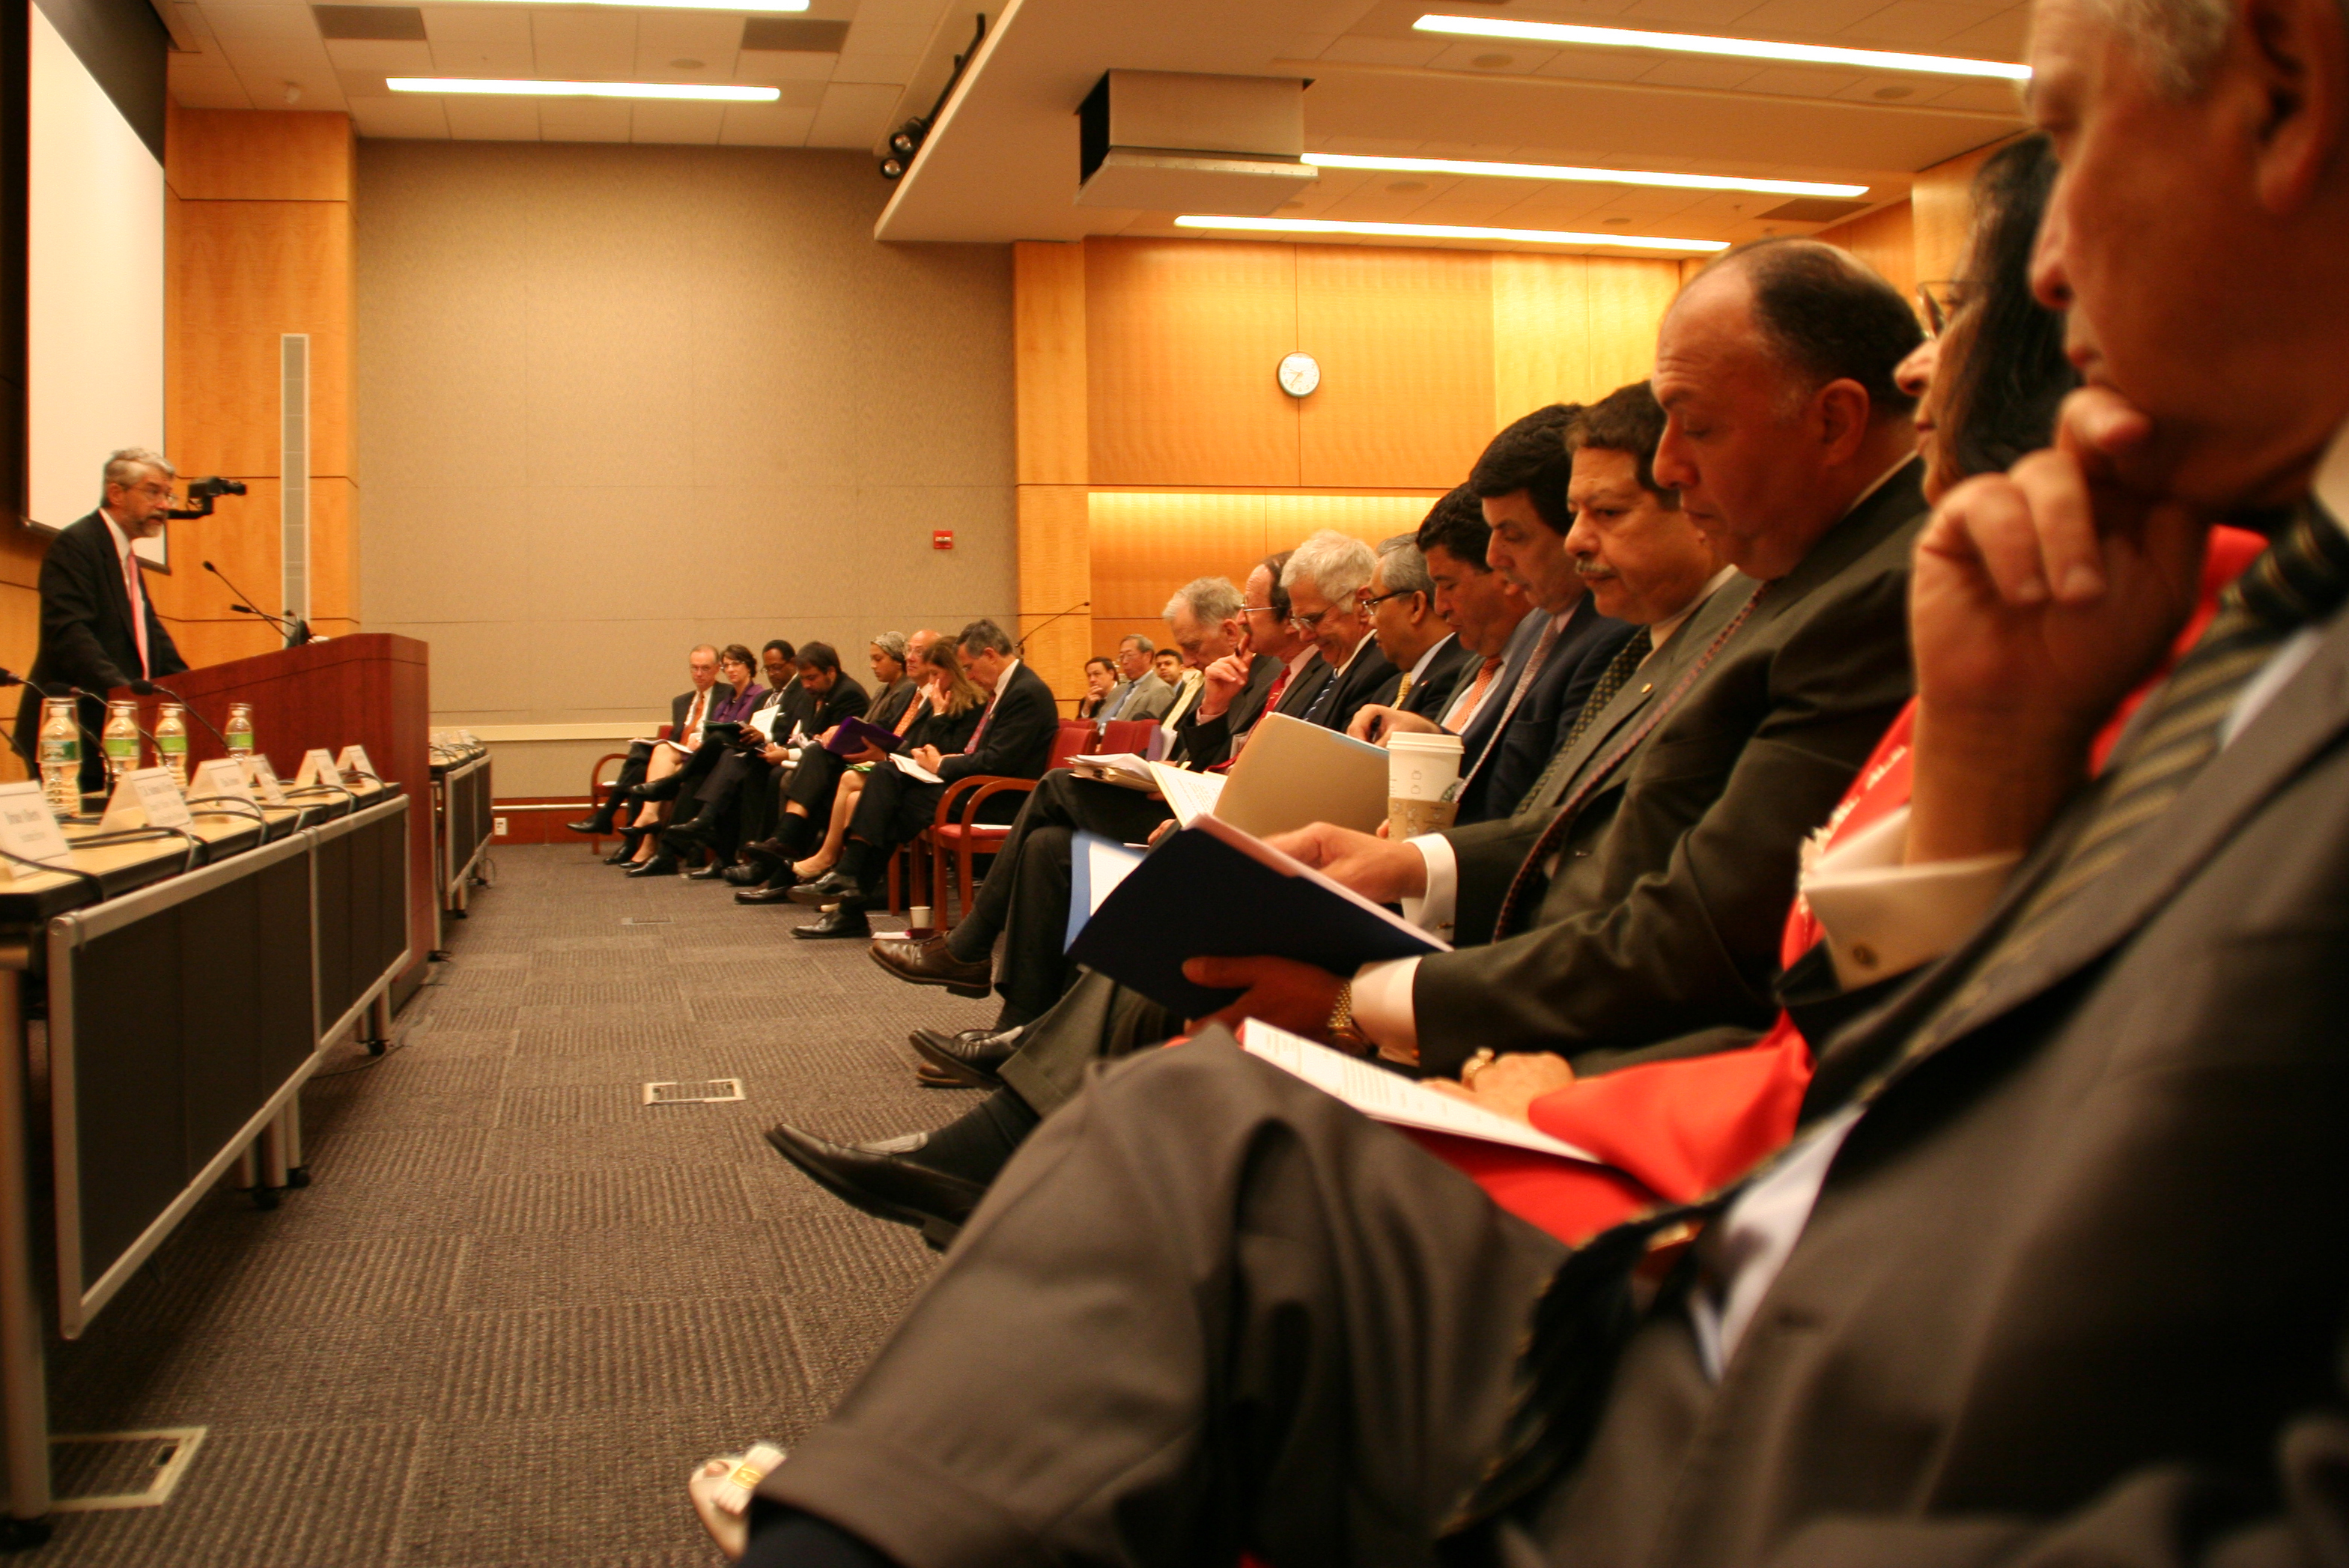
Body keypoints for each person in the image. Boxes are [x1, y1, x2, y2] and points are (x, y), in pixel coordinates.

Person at [711, 0, 2349, 1546]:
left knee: (1202, 1145)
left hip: (1855, 1409)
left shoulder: (1929, 598)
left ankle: (960, 1433)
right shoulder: (2077, 611)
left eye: (2066, 137)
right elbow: (1933, 1052)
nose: (2028, 287)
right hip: (1826, 1273)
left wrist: (1482, 1048)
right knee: (1192, 1115)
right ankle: (972, 1425)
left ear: (2280, 86)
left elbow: (1766, 991)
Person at [772, 269, 1925, 1232]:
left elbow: (1692, 935)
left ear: (1830, 419)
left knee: (1190, 1064)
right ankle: (1000, 1164)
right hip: (1529, 947)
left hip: (1594, 1032)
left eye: (1696, 428)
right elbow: (1577, 830)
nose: (1670, 463)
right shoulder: (1770, 592)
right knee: (1198, 914)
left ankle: (1013, 1201)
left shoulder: (1841, 598)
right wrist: (1406, 868)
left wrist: (1356, 997)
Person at [865, 577, 1253, 1036]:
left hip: (1207, 821)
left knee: (1054, 787)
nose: (1187, 659)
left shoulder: (1261, 676)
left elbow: (1246, 770)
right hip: (1182, 800)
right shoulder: (1227, 675)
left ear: (1233, 630)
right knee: (1045, 845)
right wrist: (1202, 725)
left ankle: (967, 948)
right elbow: (1201, 751)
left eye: (1191, 646)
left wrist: (1188, 768)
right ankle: (1016, 1027)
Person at [786, 620, 1057, 940]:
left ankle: (849, 889)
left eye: (969, 667)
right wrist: (943, 762)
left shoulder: (1025, 692)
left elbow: (1000, 760)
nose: (968, 676)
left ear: (990, 655)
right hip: (974, 787)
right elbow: (985, 753)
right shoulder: (1005, 688)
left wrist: (941, 764)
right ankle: (848, 891)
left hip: (996, 800)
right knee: (887, 778)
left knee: (889, 804)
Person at [1345, 489, 1538, 823]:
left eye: (1448, 586)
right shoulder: (1480, 664)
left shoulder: (1555, 655)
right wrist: (1430, 734)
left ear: (1505, 570)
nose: (1441, 606)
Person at [16, 449, 191, 798]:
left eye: (167, 495)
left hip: (114, 727)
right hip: (75, 731)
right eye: (153, 492)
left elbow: (148, 634)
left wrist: (189, 690)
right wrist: (124, 695)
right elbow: (70, 634)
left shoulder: (123, 554)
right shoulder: (77, 544)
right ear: (116, 493)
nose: (164, 505)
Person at [732, 630, 942, 890]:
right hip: (881, 767)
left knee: (825, 781)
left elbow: (930, 747)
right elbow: (882, 729)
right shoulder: (911, 693)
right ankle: (789, 860)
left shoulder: (938, 698)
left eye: (918, 652)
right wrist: (844, 732)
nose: (909, 657)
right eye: (908, 650)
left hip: (904, 775)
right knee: (814, 760)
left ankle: (799, 865)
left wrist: (884, 751)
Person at [648, 642, 869, 878]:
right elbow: (808, 736)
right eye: (803, 679)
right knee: (737, 761)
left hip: (831, 766)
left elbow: (828, 747)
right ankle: (744, 852)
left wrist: (784, 751)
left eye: (811, 678)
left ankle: (761, 850)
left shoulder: (846, 694)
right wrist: (779, 747)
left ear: (831, 672)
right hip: (802, 756)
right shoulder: (814, 692)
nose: (806, 684)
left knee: (752, 769)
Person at [621, 644, 762, 872]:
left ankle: (672, 789)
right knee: (692, 779)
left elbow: (744, 734)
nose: (732, 669)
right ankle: (666, 853)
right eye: (728, 665)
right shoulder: (728, 700)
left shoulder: (758, 695)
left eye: (737, 664)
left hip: (739, 761)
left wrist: (707, 742)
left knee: (706, 754)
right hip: (714, 762)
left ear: (750, 667)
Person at [580, 645, 732, 854]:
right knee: (640, 765)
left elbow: (725, 732)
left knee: (645, 762)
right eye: (694, 668)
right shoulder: (681, 702)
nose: (698, 674)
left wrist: (700, 743)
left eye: (705, 668)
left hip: (703, 758)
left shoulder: (728, 694)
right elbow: (677, 736)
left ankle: (613, 820)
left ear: (717, 668)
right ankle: (635, 843)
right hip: (679, 755)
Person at [1278, 530, 1399, 732]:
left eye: (1313, 619)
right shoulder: (1330, 667)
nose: (1304, 636)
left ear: (1361, 603)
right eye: (1299, 621)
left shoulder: (1381, 671)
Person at [1354, 534, 1471, 730]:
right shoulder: (1391, 687)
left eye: (1375, 604)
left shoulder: (1456, 676)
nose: (1371, 621)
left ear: (1416, 606)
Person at [1095, 635, 1173, 722]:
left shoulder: (1160, 690)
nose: (1124, 662)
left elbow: (1154, 731)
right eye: (1121, 657)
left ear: (1148, 656)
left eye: (1129, 655)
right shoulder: (1117, 691)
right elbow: (1099, 720)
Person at [1074, 656, 1118, 720]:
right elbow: (1079, 727)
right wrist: (1087, 708)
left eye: (1097, 674)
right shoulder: (1087, 701)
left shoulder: (1126, 695)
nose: (1092, 680)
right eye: (1089, 676)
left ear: (1111, 674)